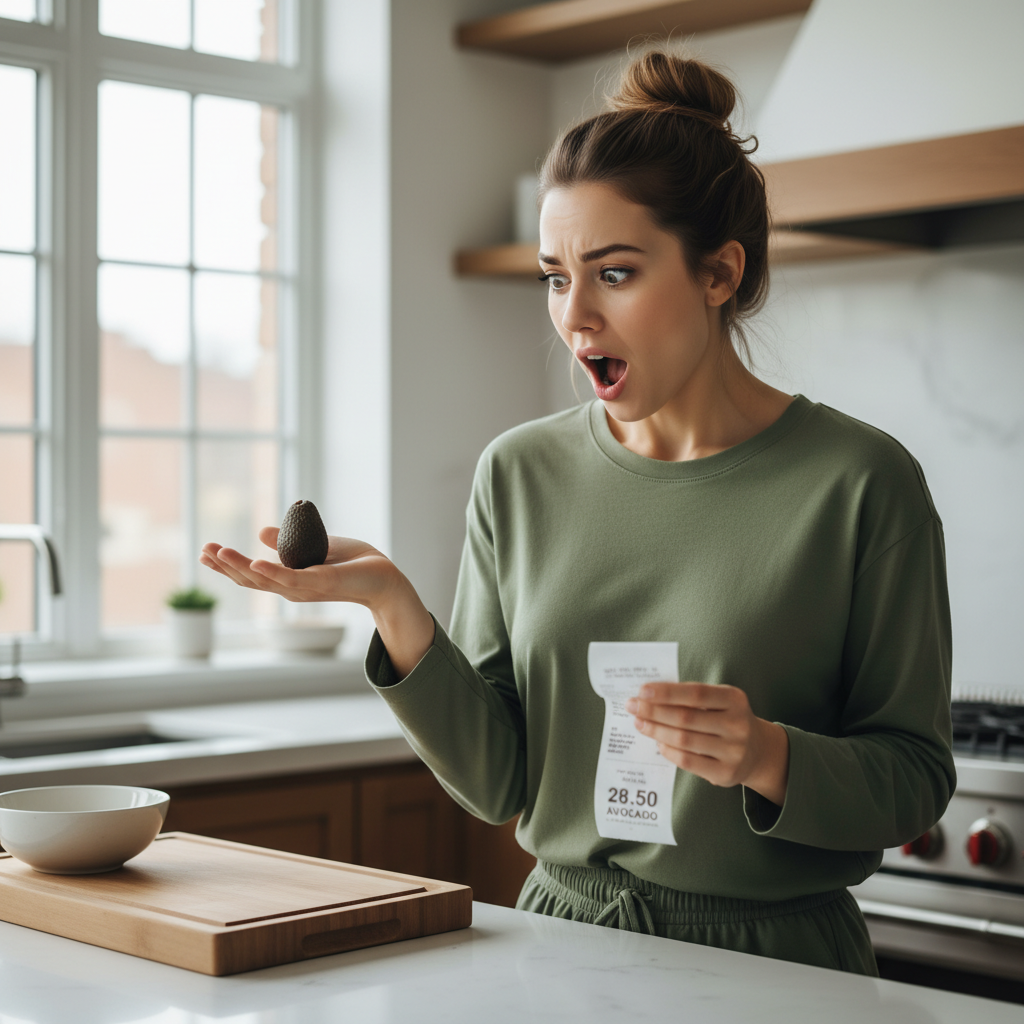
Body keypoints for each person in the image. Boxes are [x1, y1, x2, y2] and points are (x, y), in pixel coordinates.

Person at [201, 50, 954, 976]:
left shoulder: (862, 484)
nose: (575, 315)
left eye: (617, 273)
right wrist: (394, 608)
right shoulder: (519, 473)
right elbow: (497, 783)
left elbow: (916, 781)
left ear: (719, 273)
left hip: (779, 965)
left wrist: (768, 754)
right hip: (561, 944)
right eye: (557, 277)